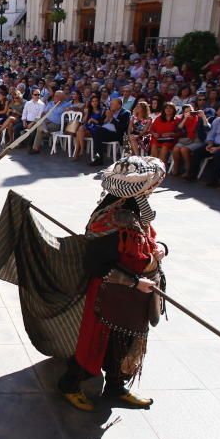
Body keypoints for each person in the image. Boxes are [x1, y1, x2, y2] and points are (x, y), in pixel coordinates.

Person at [58, 156, 168, 410]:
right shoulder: (109, 220)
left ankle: (116, 387)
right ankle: (70, 385)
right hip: (109, 294)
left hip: (137, 295)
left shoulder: (136, 208)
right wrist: (133, 282)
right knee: (95, 342)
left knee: (127, 342)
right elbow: (96, 266)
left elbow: (149, 240)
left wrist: (162, 249)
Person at [90, 97, 131, 166]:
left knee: (97, 131)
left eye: (112, 104)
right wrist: (106, 118)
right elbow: (100, 122)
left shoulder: (125, 113)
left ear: (119, 105)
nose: (110, 105)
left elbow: (122, 127)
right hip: (104, 132)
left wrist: (112, 119)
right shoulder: (108, 111)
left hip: (116, 134)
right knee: (96, 132)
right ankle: (98, 158)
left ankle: (98, 158)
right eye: (110, 104)